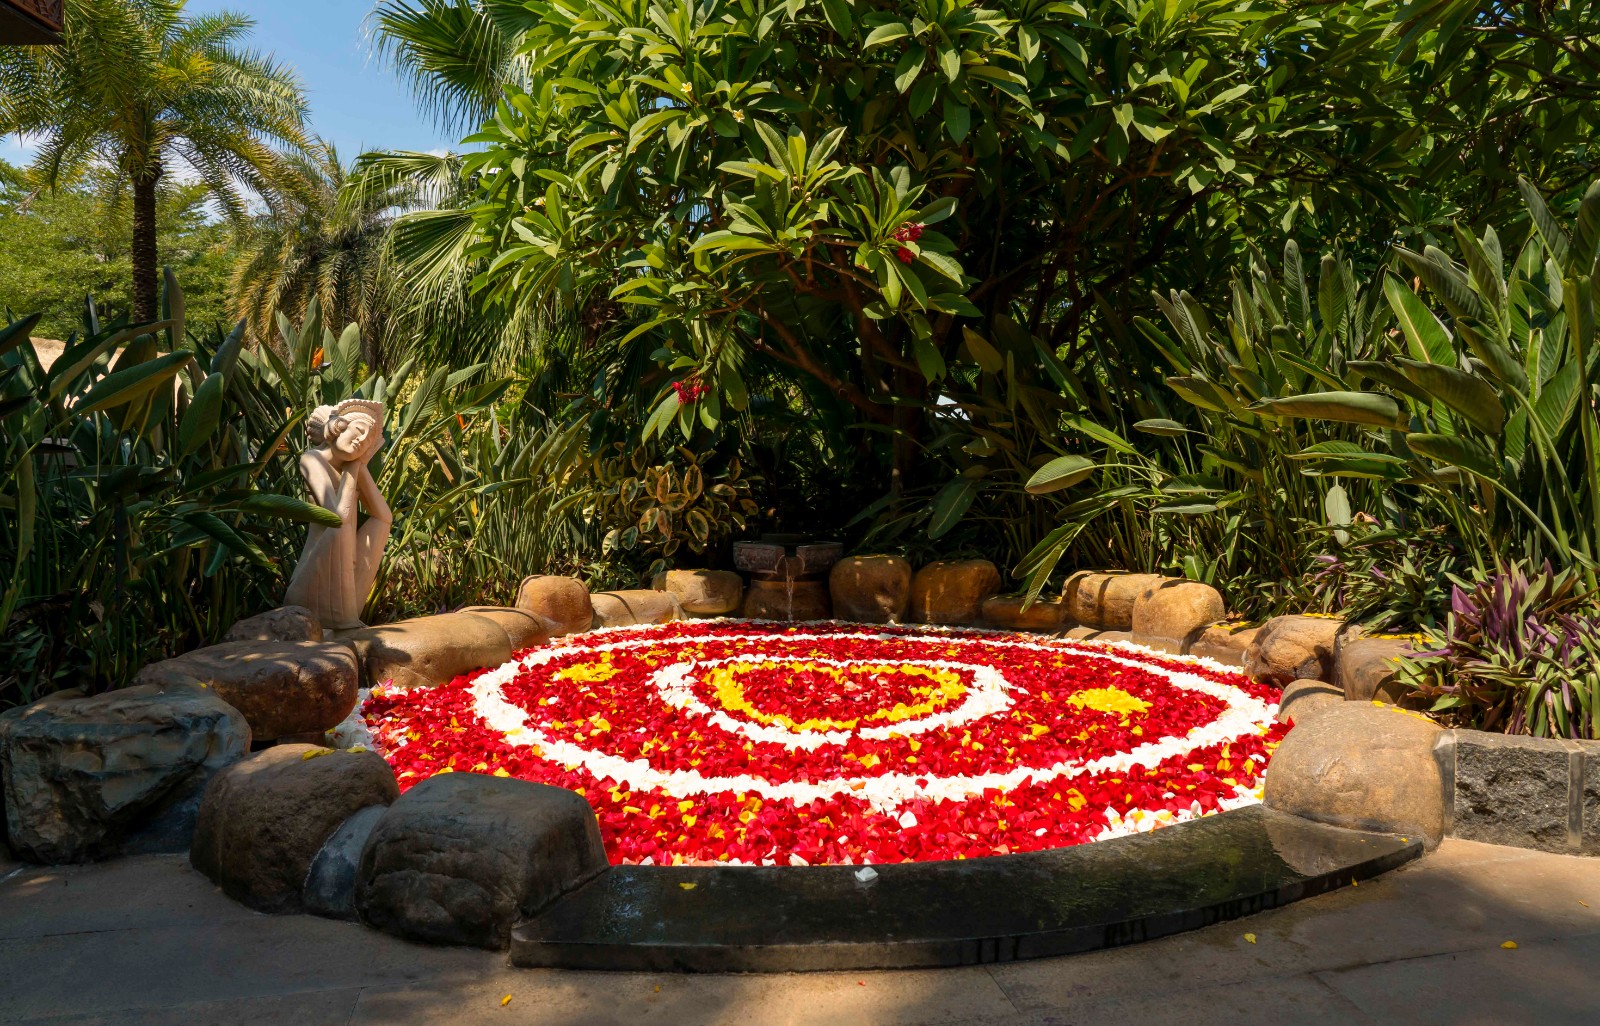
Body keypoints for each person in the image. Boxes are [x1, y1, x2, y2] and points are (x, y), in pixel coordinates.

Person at [283, 398, 391, 629]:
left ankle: (348, 611)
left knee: (381, 523)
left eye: (368, 440)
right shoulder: (312, 459)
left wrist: (356, 467)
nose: (362, 441)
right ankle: (342, 617)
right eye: (359, 431)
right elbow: (335, 517)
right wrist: (353, 470)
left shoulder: (350, 467)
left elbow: (383, 517)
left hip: (343, 569)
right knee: (339, 526)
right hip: (314, 578)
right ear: (338, 427)